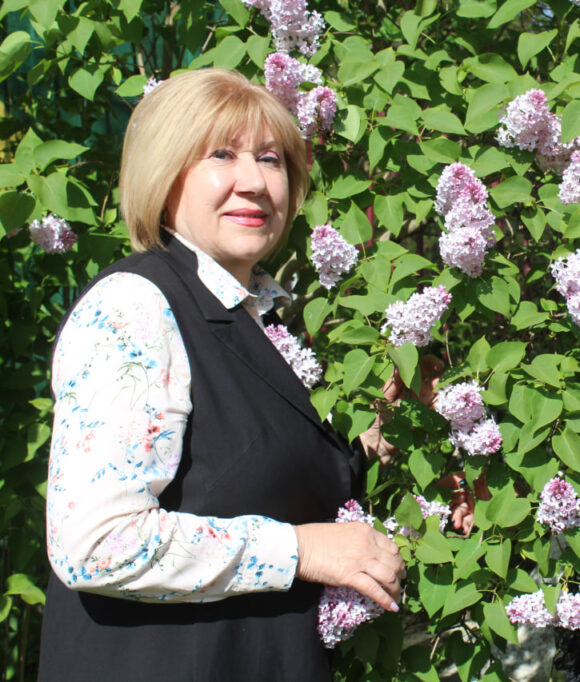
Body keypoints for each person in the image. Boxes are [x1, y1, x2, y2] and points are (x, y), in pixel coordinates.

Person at [38, 69, 406, 681]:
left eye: (271, 159)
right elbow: (96, 545)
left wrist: (384, 438)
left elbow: (245, 481)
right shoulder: (135, 306)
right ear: (165, 176)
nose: (255, 182)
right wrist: (302, 550)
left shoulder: (256, 317)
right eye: (222, 155)